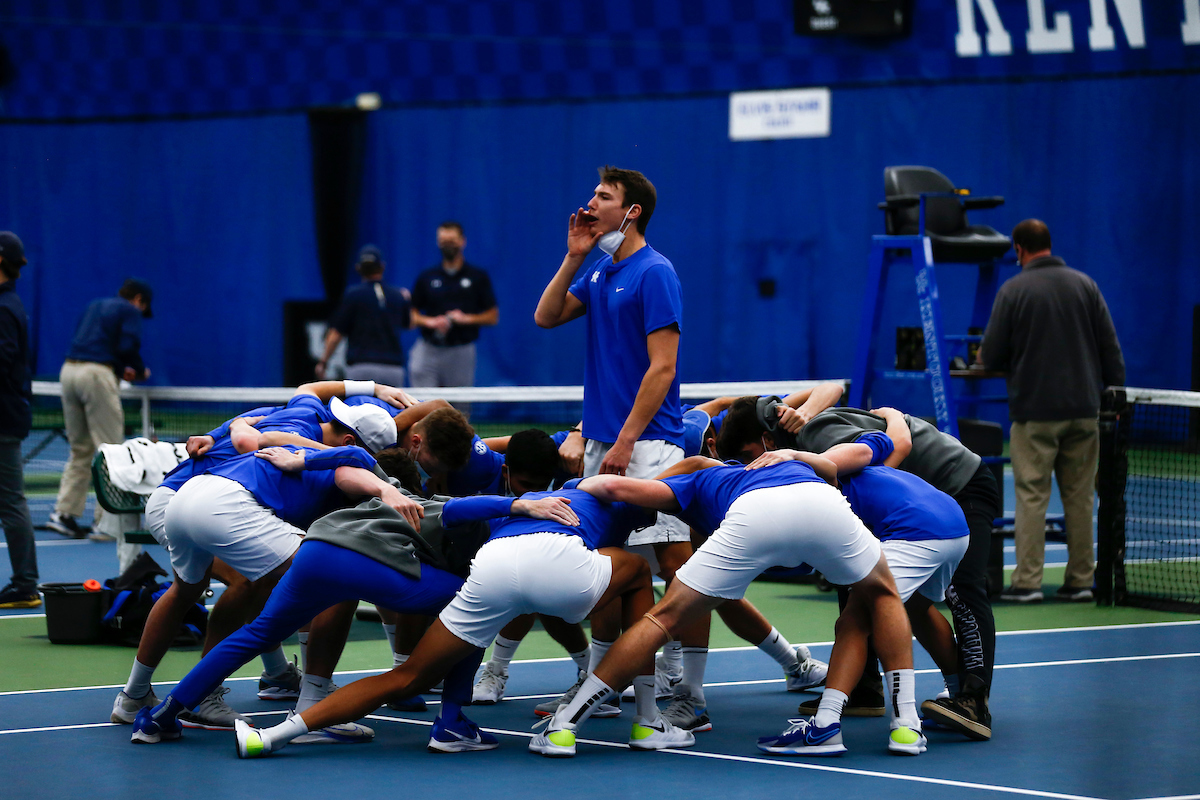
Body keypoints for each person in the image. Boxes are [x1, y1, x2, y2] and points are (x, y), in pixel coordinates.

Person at [232, 482, 695, 759]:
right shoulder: (622, 502)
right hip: (560, 565)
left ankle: (270, 736)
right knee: (635, 574)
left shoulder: (528, 500)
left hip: (493, 564)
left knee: (407, 676)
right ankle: (647, 721)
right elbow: (599, 595)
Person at [537, 455, 923, 758]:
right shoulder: (781, 462)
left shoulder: (694, 481)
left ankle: (566, 725)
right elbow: (831, 470)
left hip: (754, 516)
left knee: (662, 617)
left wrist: (573, 486)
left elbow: (611, 487)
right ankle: (906, 724)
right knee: (882, 595)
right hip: (820, 501)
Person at [128, 448, 498, 752]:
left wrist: (302, 460)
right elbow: (451, 508)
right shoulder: (408, 496)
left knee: (258, 631)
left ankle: (161, 715)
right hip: (353, 561)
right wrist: (517, 507)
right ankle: (451, 722)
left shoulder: (338, 484)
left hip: (315, 550)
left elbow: (348, 452)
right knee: (479, 603)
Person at [715, 397, 1002, 741]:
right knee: (901, 601)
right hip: (921, 507)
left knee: (953, 593)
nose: (752, 466)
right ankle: (864, 689)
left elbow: (887, 460)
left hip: (953, 487)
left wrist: (895, 416)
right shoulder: (799, 454)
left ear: (769, 441)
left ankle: (972, 700)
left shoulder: (815, 437)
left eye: (750, 455)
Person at [534, 166, 697, 715]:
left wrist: (626, 441)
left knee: (678, 566)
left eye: (603, 197)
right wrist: (574, 254)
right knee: (604, 568)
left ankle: (687, 690)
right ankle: (606, 684)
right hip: (605, 446)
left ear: (632, 212)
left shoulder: (657, 273)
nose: (590, 202)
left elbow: (662, 369)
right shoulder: (600, 271)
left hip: (650, 445)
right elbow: (546, 316)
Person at [981, 219, 1125, 604]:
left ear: (1019, 248)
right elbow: (1111, 351)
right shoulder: (1085, 285)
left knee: (1031, 494)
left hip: (1036, 413)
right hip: (1084, 410)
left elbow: (990, 355)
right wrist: (1117, 401)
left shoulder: (1013, 290)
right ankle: (1080, 580)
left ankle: (1027, 583)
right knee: (1080, 497)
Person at [46, 278, 153, 539]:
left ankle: (64, 514)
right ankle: (106, 522)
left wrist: (119, 367)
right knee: (110, 449)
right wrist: (139, 371)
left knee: (80, 448)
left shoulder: (95, 305)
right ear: (138, 299)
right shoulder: (129, 310)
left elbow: (96, 343)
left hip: (69, 372)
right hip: (95, 376)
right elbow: (127, 346)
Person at [409, 221, 498, 399]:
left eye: (452, 240)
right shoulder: (427, 277)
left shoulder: (477, 277)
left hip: (461, 351)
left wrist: (466, 319)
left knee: (458, 408)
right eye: (443, 240)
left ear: (462, 241)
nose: (447, 244)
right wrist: (430, 322)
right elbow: (411, 314)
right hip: (429, 348)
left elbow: (492, 316)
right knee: (422, 403)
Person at [0, 232, 39, 609]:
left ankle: (25, 583)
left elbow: (4, 361)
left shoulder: (4, 307)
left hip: (3, 419)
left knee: (11, 502)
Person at [316, 245, 412, 386]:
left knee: (360, 408)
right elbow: (408, 323)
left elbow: (336, 333)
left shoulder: (353, 295)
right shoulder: (398, 295)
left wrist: (323, 361)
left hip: (361, 369)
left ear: (358, 268)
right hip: (393, 369)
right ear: (382, 267)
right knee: (391, 409)